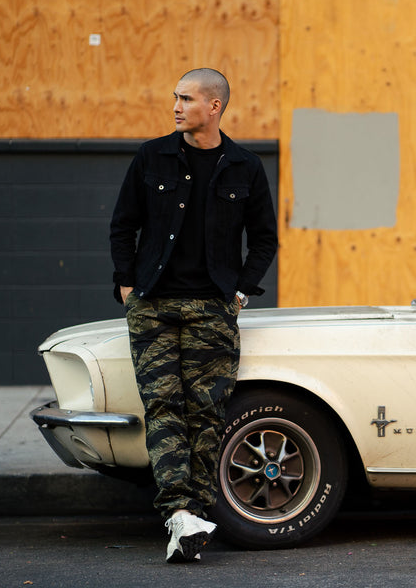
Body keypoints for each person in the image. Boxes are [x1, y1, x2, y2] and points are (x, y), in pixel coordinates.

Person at [109, 68, 278, 563]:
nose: (176, 106)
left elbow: (264, 236)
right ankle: (179, 513)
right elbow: (123, 224)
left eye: (186, 98)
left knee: (205, 412)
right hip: (154, 304)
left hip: (212, 306)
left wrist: (242, 289)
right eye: (175, 98)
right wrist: (126, 282)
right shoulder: (151, 156)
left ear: (214, 106)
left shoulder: (244, 166)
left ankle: (193, 516)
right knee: (163, 407)